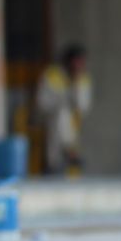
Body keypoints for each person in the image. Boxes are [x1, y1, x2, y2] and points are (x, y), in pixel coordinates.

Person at [36, 44, 92, 174]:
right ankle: (69, 153)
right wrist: (62, 100)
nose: (78, 66)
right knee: (61, 114)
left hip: (73, 123)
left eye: (81, 63)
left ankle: (58, 160)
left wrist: (75, 84)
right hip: (46, 118)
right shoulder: (52, 75)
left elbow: (83, 107)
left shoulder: (83, 79)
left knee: (65, 117)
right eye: (76, 62)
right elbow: (42, 103)